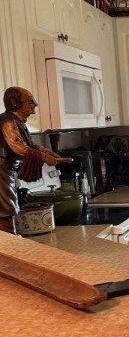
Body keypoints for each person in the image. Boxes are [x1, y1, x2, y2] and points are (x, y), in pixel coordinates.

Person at [0, 87, 67, 234]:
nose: (35, 104)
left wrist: (49, 153)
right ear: (14, 102)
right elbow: (20, 148)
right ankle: (9, 247)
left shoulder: (17, 121)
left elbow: (30, 144)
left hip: (7, 171)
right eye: (30, 100)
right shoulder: (7, 122)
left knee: (8, 207)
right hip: (2, 171)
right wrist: (44, 157)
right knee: (6, 209)